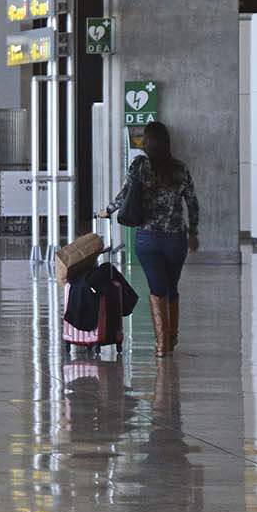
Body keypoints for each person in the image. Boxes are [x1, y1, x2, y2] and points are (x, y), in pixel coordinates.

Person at [97, 121, 199, 357]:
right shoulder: (180, 169)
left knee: (157, 287)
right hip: (175, 240)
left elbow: (125, 195)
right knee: (171, 287)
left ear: (147, 143)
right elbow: (192, 203)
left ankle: (162, 344)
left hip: (147, 239)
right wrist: (193, 231)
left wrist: (108, 210)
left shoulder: (140, 166)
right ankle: (170, 339)